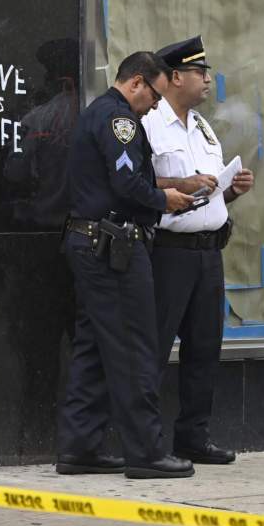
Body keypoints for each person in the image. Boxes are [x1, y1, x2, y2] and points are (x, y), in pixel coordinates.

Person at [56, 51, 197, 479]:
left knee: (94, 348)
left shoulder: (96, 113)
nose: (155, 104)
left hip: (90, 242)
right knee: (136, 349)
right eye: (154, 95)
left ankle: (81, 446)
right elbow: (126, 182)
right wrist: (164, 200)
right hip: (114, 247)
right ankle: (146, 452)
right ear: (136, 83)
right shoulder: (119, 119)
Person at [143, 35, 255, 465]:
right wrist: (180, 186)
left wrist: (231, 192)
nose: (207, 80)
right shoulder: (150, 125)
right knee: (153, 348)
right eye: (198, 72)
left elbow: (206, 196)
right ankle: (146, 441)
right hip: (168, 251)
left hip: (209, 251)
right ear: (174, 78)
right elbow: (139, 187)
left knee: (204, 349)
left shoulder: (203, 128)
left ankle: (193, 435)